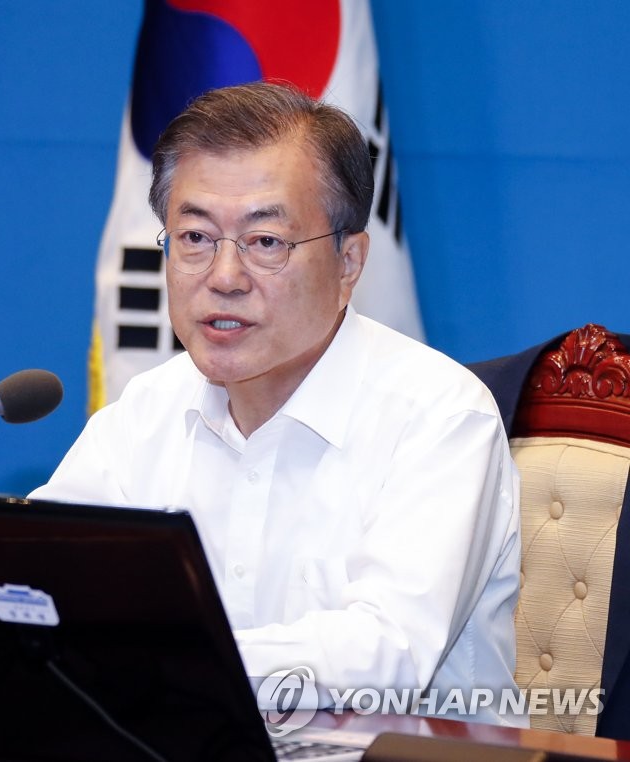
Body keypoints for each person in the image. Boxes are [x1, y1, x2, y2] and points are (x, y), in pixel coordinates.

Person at [30, 81, 522, 724]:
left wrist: (162, 657)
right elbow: (40, 580)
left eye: (266, 242)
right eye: (195, 237)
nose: (223, 277)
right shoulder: (147, 409)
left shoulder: (440, 417)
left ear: (349, 262)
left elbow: (387, 654)